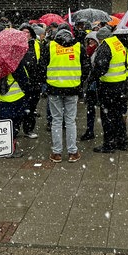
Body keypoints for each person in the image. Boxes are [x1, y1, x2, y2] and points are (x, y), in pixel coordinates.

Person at [41, 28, 88, 163]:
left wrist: (47, 82)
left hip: (54, 89)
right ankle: (72, 152)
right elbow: (86, 67)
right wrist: (79, 82)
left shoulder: (50, 46)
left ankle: (57, 153)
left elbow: (42, 67)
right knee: (70, 120)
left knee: (56, 120)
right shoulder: (78, 47)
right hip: (72, 89)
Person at [89, 27, 128, 153]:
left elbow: (101, 67)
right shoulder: (118, 43)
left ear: (101, 38)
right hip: (121, 85)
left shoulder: (105, 46)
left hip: (109, 87)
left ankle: (109, 144)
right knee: (118, 115)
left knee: (107, 116)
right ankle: (122, 141)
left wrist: (91, 78)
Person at [0, 58, 32, 158]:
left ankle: (3, 148)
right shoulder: (15, 61)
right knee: (14, 124)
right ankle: (11, 149)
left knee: (5, 123)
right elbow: (24, 79)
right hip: (16, 97)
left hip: (2, 97)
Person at [19, 23, 44, 139]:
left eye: (27, 32)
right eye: (23, 32)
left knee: (32, 107)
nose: (25, 34)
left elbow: (42, 62)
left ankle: (29, 129)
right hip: (20, 82)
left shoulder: (37, 45)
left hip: (34, 82)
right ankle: (16, 129)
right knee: (19, 107)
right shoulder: (16, 45)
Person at [80, 31, 100, 140]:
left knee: (93, 108)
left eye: (92, 40)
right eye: (89, 41)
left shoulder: (98, 51)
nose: (90, 42)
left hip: (95, 84)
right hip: (89, 83)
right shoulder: (87, 51)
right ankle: (89, 129)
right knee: (90, 108)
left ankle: (90, 130)